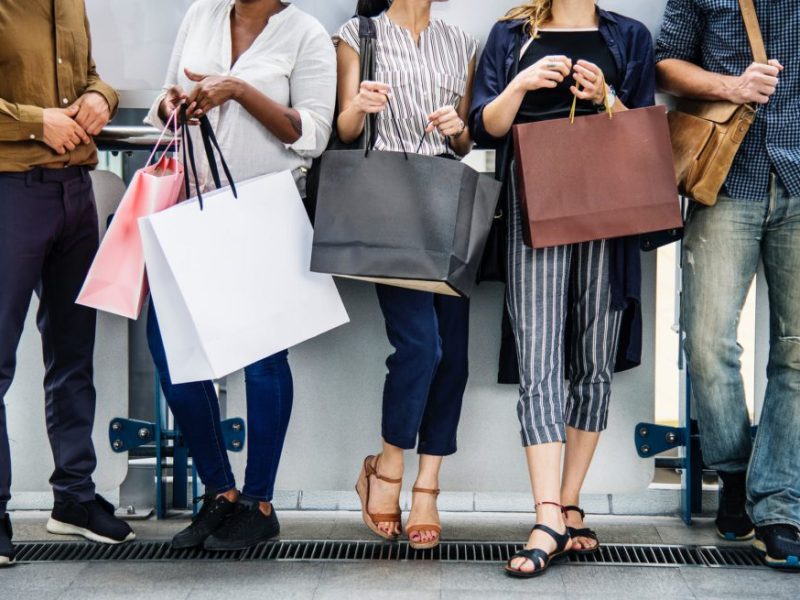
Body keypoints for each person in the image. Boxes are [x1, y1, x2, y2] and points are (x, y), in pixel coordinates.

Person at [470, 0, 654, 578]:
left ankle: (571, 502)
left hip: (610, 204)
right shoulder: (511, 35)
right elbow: (484, 125)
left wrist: (605, 95)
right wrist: (522, 83)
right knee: (540, 353)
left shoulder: (629, 36)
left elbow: (642, 126)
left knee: (596, 354)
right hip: (534, 201)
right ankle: (546, 514)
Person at [143, 0, 335, 551]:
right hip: (190, 208)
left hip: (265, 212)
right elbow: (162, 98)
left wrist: (238, 90)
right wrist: (175, 104)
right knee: (171, 349)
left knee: (263, 359)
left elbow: (313, 134)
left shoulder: (305, 34)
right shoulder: (201, 14)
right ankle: (220, 493)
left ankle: (259, 502)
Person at [656, 0, 800, 569]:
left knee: (796, 353)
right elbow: (665, 63)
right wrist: (733, 86)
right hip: (728, 174)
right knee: (708, 342)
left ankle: (779, 504)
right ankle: (737, 476)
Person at [336, 0, 477, 550]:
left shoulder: (460, 41)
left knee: (455, 355)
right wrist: (361, 105)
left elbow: (465, 143)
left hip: (447, 196)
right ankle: (387, 463)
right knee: (421, 347)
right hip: (388, 201)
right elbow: (347, 130)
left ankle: (427, 487)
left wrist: (457, 127)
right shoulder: (359, 33)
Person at [0, 0, 135, 565]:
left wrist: (101, 96)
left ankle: (73, 499)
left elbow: (88, 75)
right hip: (10, 191)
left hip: (74, 194)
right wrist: (36, 121)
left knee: (74, 353)